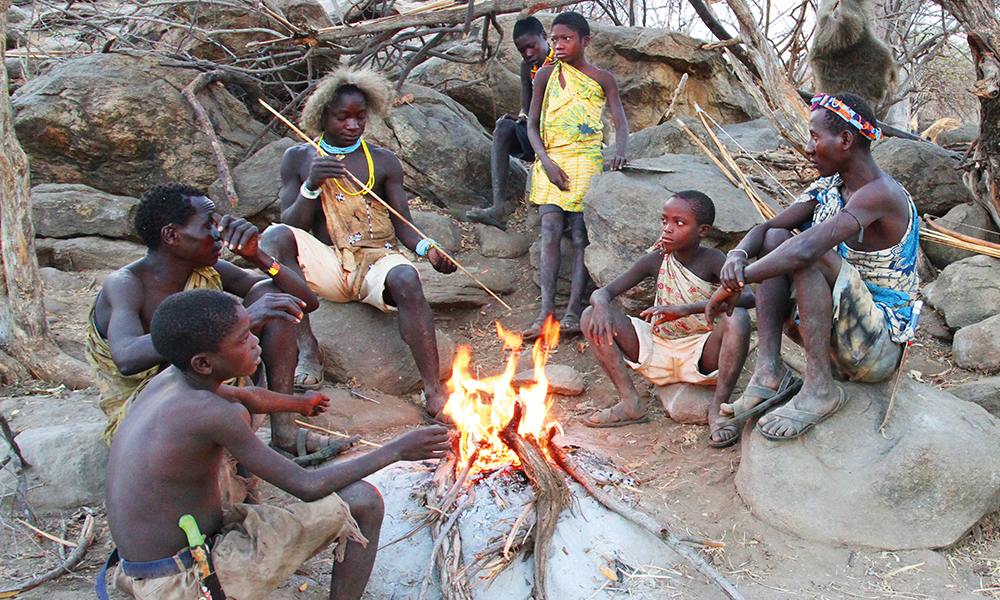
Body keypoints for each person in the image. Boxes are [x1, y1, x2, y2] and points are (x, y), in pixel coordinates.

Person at [99, 289, 450, 600]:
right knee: (363, 501)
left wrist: (299, 403)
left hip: (145, 568)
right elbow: (307, 486)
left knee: (239, 410)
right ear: (204, 362)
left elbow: (246, 395)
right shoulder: (207, 412)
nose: (255, 342)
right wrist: (397, 450)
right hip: (180, 582)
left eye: (250, 332)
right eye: (242, 340)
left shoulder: (172, 381)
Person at [707, 92, 919, 441]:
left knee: (809, 254)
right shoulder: (829, 187)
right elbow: (765, 230)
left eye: (814, 137)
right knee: (778, 238)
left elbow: (807, 248)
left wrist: (737, 283)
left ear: (845, 140)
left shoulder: (881, 193)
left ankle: (821, 389)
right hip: (835, 338)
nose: (807, 148)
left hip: (875, 348)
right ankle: (769, 373)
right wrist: (737, 256)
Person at [86, 183, 349, 464]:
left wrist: (258, 256)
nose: (219, 235)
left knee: (272, 298)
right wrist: (247, 319)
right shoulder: (126, 284)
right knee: (257, 312)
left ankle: (285, 435)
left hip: (209, 387)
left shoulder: (207, 270)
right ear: (172, 235)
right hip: (151, 408)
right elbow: (126, 357)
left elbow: (306, 302)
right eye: (208, 226)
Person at [261, 68, 457, 423]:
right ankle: (309, 349)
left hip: (373, 260)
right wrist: (311, 185)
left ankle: (432, 389)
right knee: (273, 238)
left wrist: (428, 250)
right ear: (322, 116)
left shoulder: (382, 161)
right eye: (342, 117)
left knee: (407, 279)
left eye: (359, 117)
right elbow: (291, 225)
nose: (352, 125)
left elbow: (404, 226)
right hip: (326, 266)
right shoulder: (299, 158)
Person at [581, 192, 754, 447]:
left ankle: (718, 409)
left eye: (679, 223)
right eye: (665, 221)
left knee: (737, 318)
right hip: (657, 347)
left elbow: (748, 297)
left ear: (703, 230)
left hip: (700, 352)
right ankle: (630, 403)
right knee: (589, 315)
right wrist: (602, 304)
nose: (668, 229)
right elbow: (602, 292)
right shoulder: (657, 259)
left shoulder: (714, 259)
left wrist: (688, 309)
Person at [524, 11, 629, 339]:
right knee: (551, 230)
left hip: (586, 161)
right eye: (554, 39)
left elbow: (619, 120)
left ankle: (572, 310)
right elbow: (530, 125)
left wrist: (621, 151)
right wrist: (545, 162)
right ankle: (545, 312)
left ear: (585, 41)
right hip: (551, 161)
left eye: (566, 38)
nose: (559, 45)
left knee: (581, 235)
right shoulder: (544, 76)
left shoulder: (602, 78)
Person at [466, 17, 557, 231]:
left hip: (559, 135)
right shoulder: (528, 68)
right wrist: (518, 117)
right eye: (522, 50)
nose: (527, 53)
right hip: (536, 134)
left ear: (544, 38)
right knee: (504, 128)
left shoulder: (560, 63)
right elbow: (526, 106)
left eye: (531, 46)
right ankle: (499, 208)